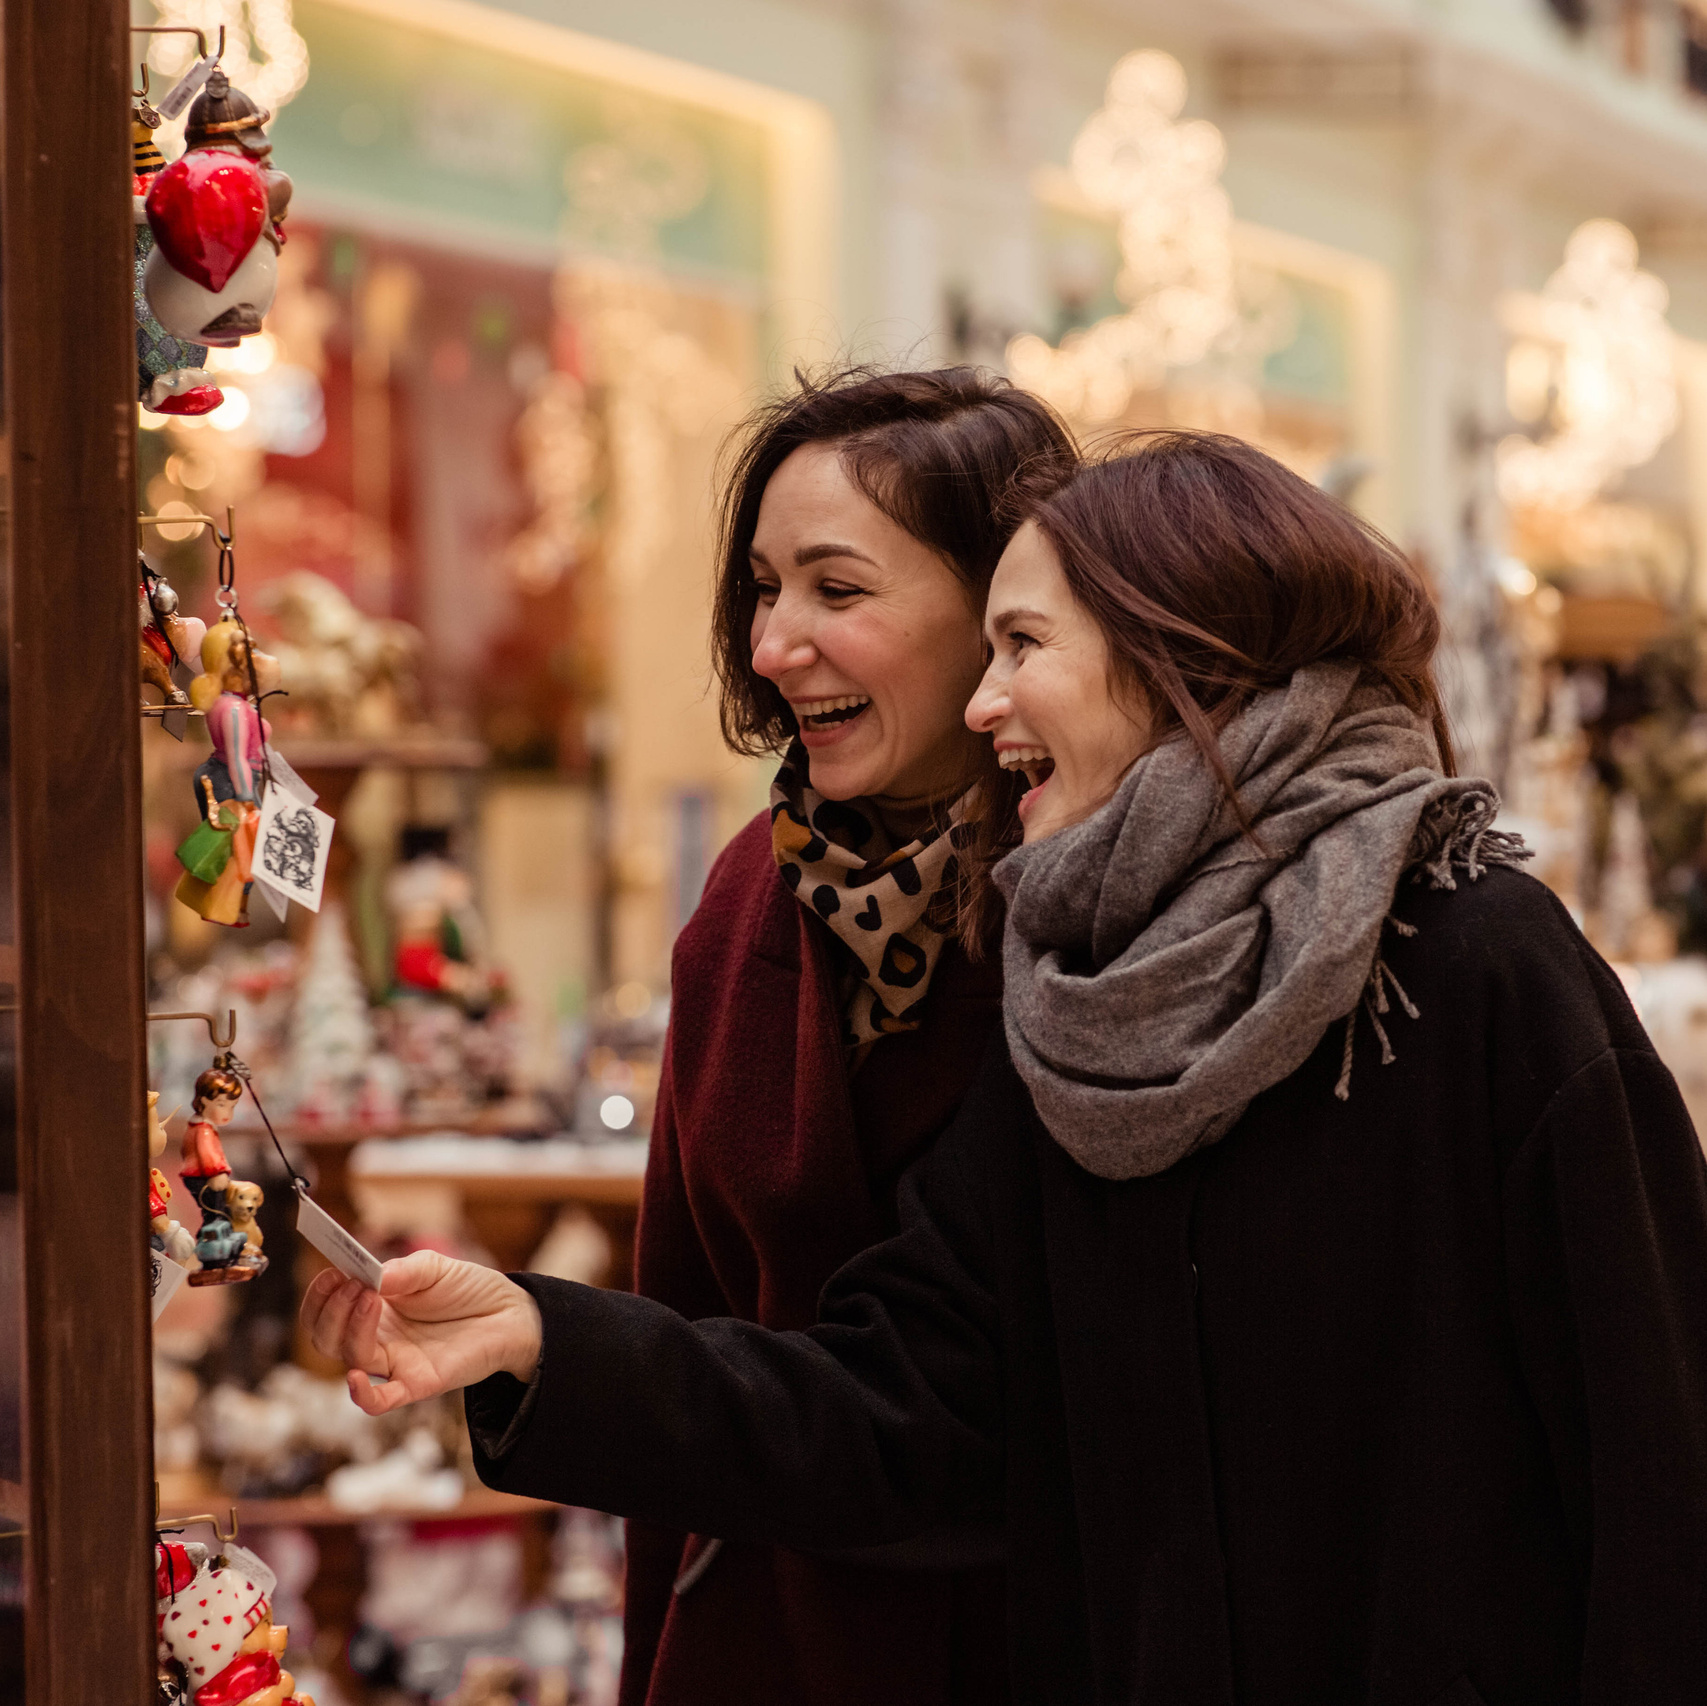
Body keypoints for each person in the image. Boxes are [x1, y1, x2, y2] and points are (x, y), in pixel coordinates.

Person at [305, 433, 1707, 1704]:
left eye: (1022, 644)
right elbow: (896, 1408)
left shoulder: (1472, 960)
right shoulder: (1071, 1011)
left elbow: (1663, 1452)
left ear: (1178, 654)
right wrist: (543, 1340)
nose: (985, 706)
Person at [552, 367, 1078, 1706]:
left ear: (1002, 617)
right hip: (767, 1643)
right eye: (766, 588)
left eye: (838, 592)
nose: (779, 642)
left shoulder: (1111, 915)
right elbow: (682, 1299)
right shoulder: (747, 897)